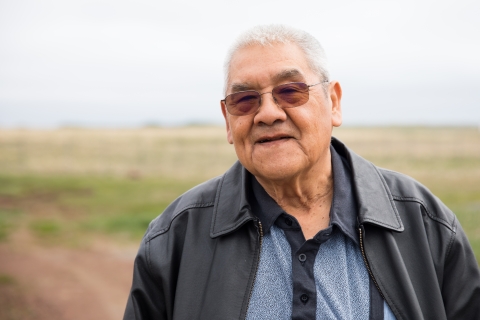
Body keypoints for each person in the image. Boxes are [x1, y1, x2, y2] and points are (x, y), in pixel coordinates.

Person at [123, 25, 480, 320]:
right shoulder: (176, 237)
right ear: (228, 123)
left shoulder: (423, 223)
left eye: (290, 91)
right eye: (244, 99)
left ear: (334, 103)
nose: (267, 113)